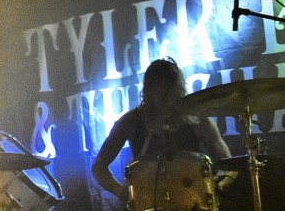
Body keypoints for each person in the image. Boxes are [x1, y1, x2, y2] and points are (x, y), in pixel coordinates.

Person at [92, 57, 232, 199]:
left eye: (167, 88)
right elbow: (98, 167)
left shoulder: (197, 120)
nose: (164, 94)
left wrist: (214, 186)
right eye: (158, 87)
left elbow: (228, 164)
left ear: (177, 89)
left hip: (193, 200)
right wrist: (121, 192)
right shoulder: (131, 121)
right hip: (148, 203)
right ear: (148, 89)